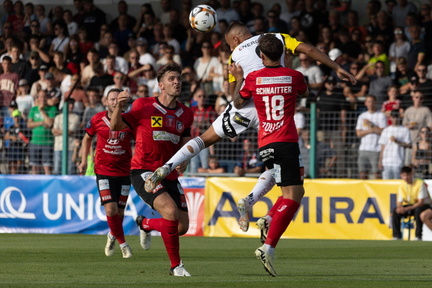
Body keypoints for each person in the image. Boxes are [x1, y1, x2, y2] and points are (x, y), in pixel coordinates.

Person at [144, 21, 356, 232]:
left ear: (235, 40)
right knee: (280, 162)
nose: (229, 48)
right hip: (272, 109)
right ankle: (249, 200)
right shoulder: (276, 39)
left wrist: (237, 78)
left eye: (228, 44)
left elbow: (232, 93)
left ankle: (166, 167)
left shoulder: (234, 55)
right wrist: (336, 68)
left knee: (205, 139)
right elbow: (308, 50)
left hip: (245, 105)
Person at [229, 33, 308, 277]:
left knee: (292, 192)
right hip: (286, 141)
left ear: (260, 55)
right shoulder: (295, 76)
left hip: (265, 143)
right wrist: (289, 65)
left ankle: (268, 219)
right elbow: (303, 93)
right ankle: (268, 247)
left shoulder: (253, 78)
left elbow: (238, 103)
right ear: (283, 54)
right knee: (293, 197)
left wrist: (238, 78)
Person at [110, 63, 194, 276]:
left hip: (169, 173)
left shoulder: (186, 113)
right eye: (172, 78)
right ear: (161, 85)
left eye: (179, 78)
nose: (177, 82)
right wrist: (119, 107)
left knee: (181, 227)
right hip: (144, 170)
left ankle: (145, 223)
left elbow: (186, 143)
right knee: (171, 212)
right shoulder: (143, 105)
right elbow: (115, 127)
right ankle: (176, 266)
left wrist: (186, 158)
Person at [78, 88, 133, 258]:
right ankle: (124, 245)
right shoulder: (97, 119)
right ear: (106, 101)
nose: (115, 102)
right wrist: (84, 160)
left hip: (124, 171)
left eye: (118, 99)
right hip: (104, 171)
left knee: (120, 212)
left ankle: (112, 235)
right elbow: (87, 138)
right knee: (110, 210)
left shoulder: (129, 120)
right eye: (112, 99)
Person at [392, 166, 430, 241]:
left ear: (411, 174)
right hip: (411, 205)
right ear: (401, 176)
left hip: (424, 206)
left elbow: (421, 202)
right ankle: (397, 236)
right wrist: (400, 208)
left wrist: (406, 208)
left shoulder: (419, 184)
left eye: (408, 175)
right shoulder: (402, 185)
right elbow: (399, 201)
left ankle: (418, 236)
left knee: (418, 210)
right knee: (396, 211)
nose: (406, 178)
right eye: (404, 175)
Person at [356, 95, 387, 179]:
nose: (370, 103)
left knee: (376, 173)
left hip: (376, 149)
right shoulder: (362, 116)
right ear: (365, 103)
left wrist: (371, 125)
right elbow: (358, 133)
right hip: (363, 149)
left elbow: (383, 132)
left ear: (375, 103)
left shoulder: (381, 116)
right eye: (368, 101)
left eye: (372, 101)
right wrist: (371, 130)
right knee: (362, 173)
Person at [378, 110, 411, 179]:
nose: (395, 119)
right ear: (390, 118)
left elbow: (408, 145)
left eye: (397, 117)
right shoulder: (386, 130)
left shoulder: (404, 130)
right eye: (393, 117)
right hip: (386, 161)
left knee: (397, 183)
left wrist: (397, 142)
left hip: (398, 161)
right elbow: (383, 146)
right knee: (386, 183)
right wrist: (380, 160)